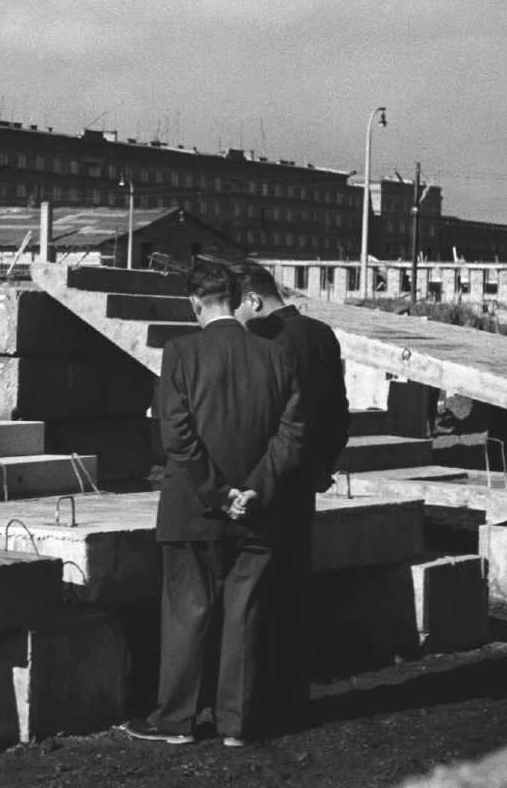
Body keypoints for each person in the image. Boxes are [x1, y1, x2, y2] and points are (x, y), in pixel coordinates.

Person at [122, 260, 306, 747]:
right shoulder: (278, 354)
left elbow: (177, 437)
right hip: (258, 510)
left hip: (192, 508)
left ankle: (176, 720)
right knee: (245, 613)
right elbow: (292, 435)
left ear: (195, 302)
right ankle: (238, 725)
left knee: (189, 610)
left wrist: (218, 492)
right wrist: (253, 490)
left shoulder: (180, 351)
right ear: (238, 297)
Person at [232, 261, 350, 726]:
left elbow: (266, 420)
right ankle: (295, 695)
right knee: (297, 587)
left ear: (254, 300)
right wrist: (325, 465)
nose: (237, 318)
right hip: (307, 480)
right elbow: (339, 412)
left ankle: (261, 699)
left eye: (237, 307)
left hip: (267, 480)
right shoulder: (322, 334)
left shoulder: (264, 339)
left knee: (259, 592)